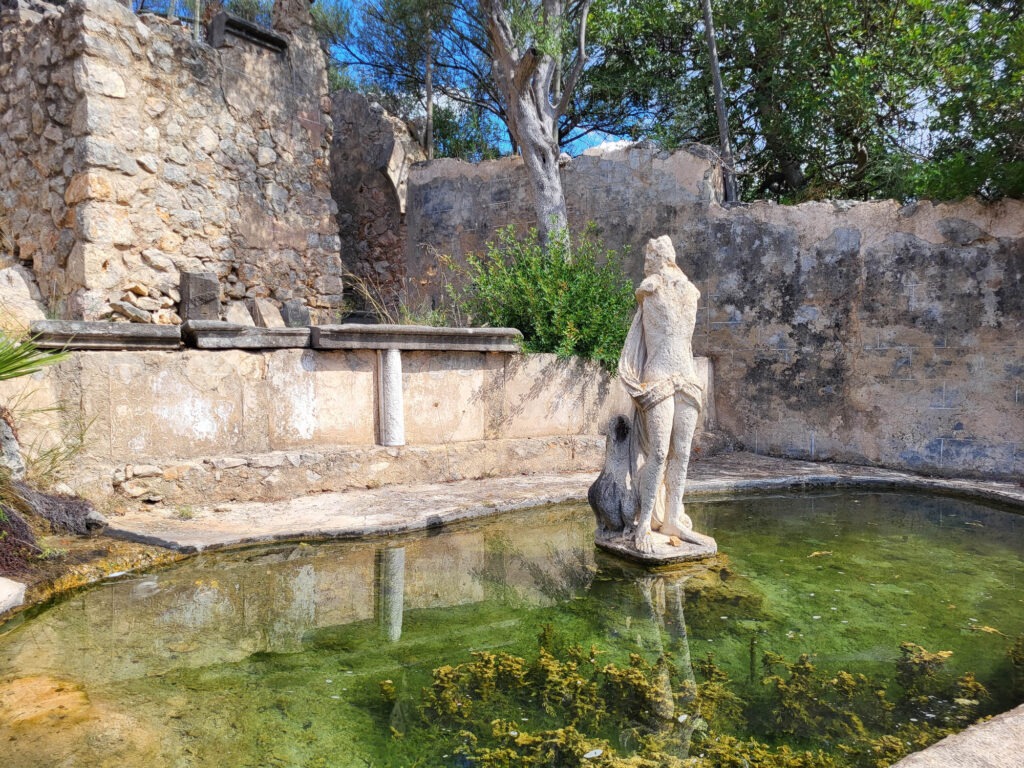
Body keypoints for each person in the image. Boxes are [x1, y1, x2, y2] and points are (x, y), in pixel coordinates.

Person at [619, 236, 704, 554]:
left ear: (659, 257)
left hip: (687, 377)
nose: (647, 261)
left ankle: (672, 520)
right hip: (658, 377)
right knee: (657, 453)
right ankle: (644, 523)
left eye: (649, 255)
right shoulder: (649, 288)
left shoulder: (690, 290)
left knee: (681, 453)